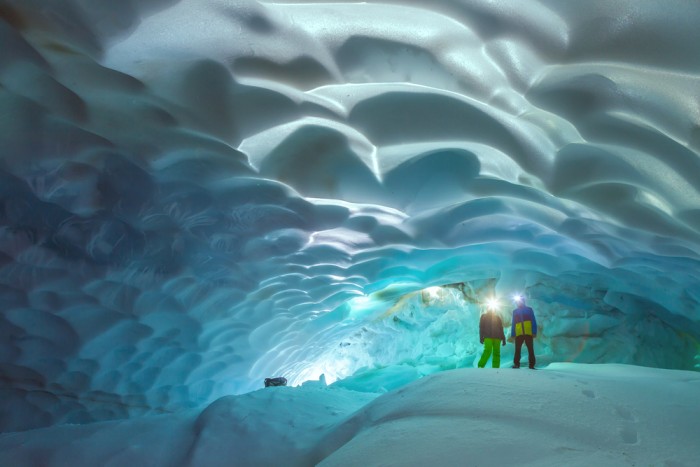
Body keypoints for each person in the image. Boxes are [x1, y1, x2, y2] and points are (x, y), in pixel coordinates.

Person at [510, 296, 537, 369]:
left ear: (523, 301)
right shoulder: (515, 311)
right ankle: (516, 364)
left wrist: (534, 332)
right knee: (517, 350)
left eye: (520, 301)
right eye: (518, 301)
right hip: (519, 333)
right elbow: (513, 323)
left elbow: (533, 321)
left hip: (528, 333)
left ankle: (531, 365)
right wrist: (513, 334)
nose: (519, 302)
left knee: (530, 349)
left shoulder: (529, 310)